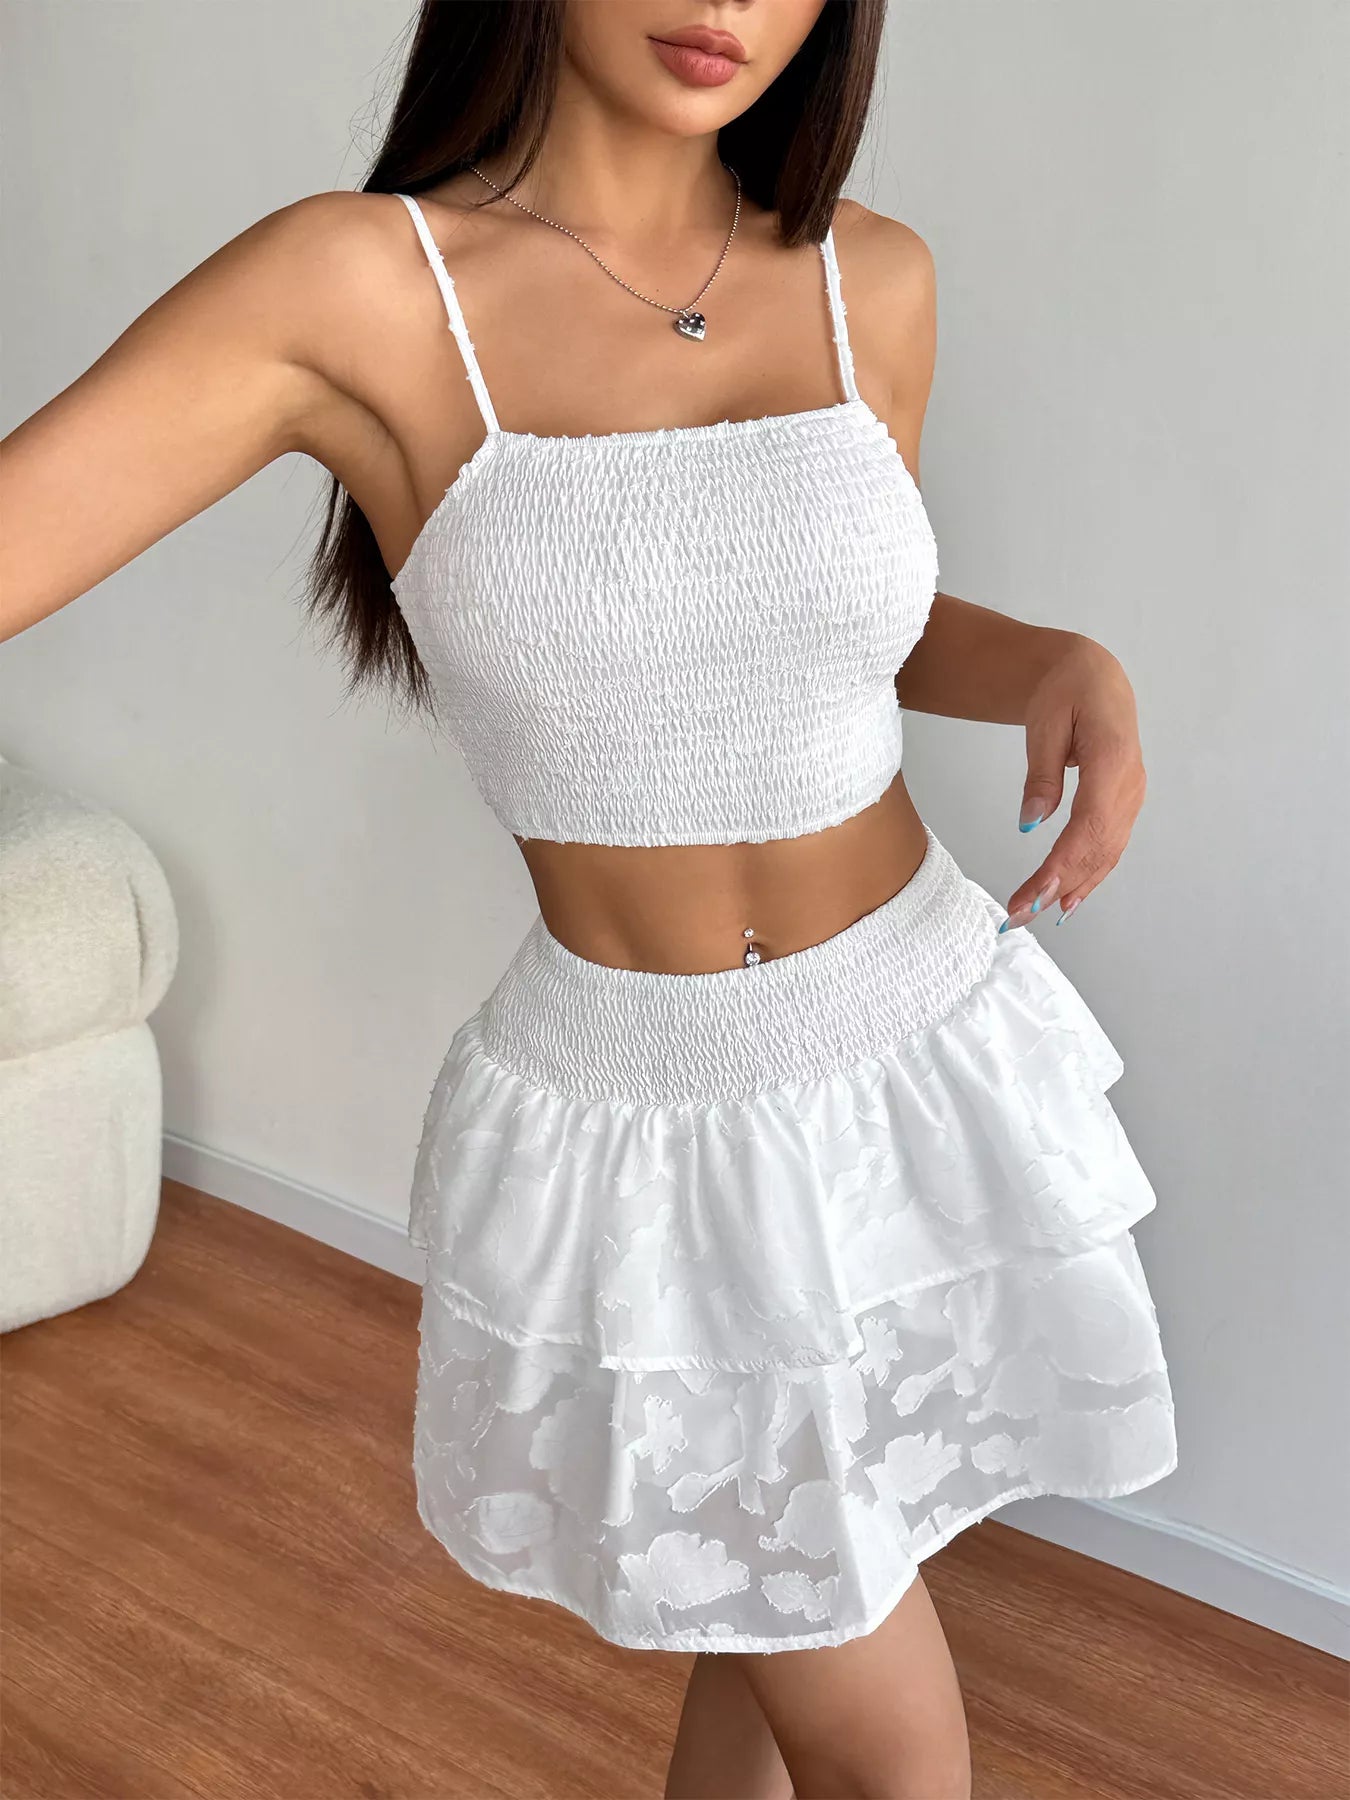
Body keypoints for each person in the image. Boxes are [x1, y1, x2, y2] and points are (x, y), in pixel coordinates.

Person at [0, 3, 1178, 1795]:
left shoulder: (871, 278)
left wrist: (1051, 662)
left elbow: (806, 613)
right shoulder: (360, 289)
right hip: (656, 1127)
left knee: (783, 1598)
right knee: (871, 1719)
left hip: (913, 1042)